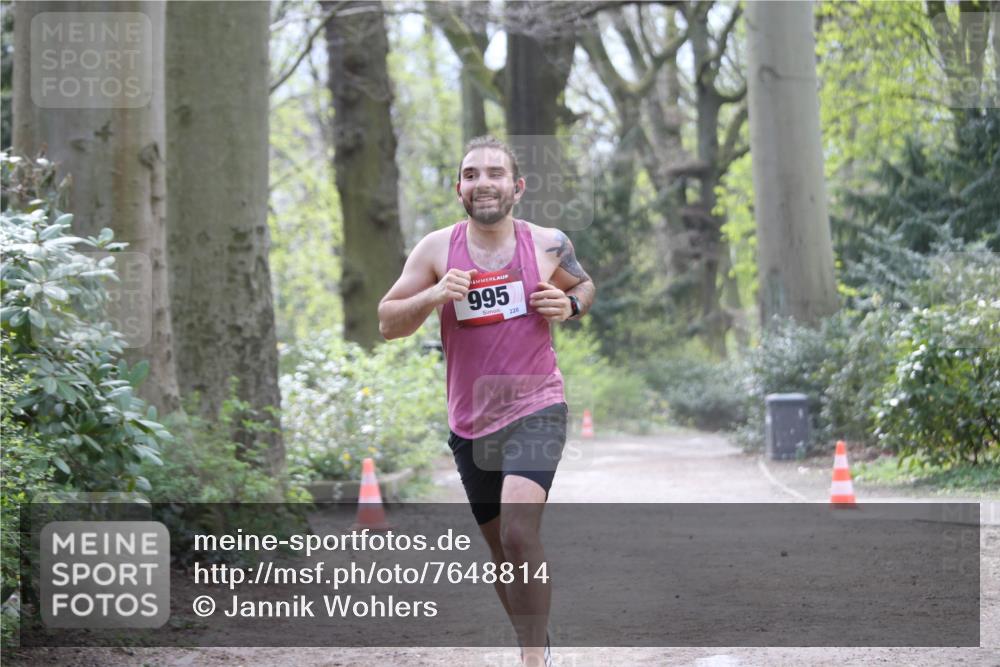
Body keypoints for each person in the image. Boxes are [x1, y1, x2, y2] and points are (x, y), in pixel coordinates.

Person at [378, 136, 595, 667]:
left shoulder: (547, 243)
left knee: (521, 533)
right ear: (459, 189)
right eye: (471, 174)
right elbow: (387, 321)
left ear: (516, 187)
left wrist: (567, 304)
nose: (483, 183)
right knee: (501, 554)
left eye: (494, 173)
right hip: (470, 421)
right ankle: (534, 640)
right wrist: (434, 295)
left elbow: (585, 286)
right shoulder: (435, 249)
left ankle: (531, 662)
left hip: (536, 406)